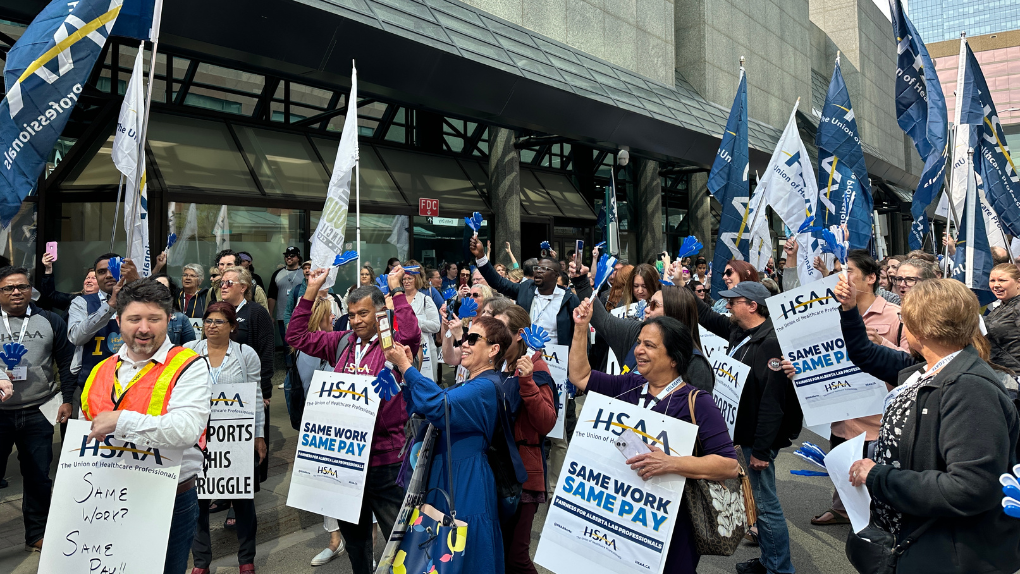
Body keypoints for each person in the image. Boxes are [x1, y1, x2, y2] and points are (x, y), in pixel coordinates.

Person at [847, 279, 1020, 573]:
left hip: (951, 553)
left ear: (923, 330)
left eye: (905, 318)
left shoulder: (969, 389)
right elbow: (865, 353)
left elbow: (970, 488)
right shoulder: (925, 372)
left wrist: (879, 476)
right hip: (920, 539)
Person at [568, 304, 739, 572]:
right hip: (624, 513)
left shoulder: (697, 402)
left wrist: (671, 463)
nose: (638, 350)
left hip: (674, 520)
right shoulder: (629, 385)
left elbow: (729, 465)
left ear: (674, 358)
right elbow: (580, 376)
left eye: (649, 345)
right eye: (638, 343)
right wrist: (580, 328)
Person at [286, 266, 421, 574]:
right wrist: (310, 291)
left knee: (399, 541)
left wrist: (397, 292)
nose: (357, 320)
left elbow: (413, 334)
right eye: (352, 314)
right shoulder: (342, 342)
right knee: (357, 543)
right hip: (345, 462)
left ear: (379, 313)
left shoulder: (392, 345)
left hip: (385, 461)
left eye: (363, 313)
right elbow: (294, 336)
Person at [79, 278, 211, 574]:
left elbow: (186, 430)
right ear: (118, 321)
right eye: (134, 319)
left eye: (154, 319)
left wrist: (121, 421)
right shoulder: (101, 370)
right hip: (105, 497)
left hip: (167, 498)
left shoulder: (189, 365)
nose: (144, 328)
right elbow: (84, 434)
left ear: (170, 319)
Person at [383, 316, 511, 574]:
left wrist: (407, 366)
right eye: (465, 337)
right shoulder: (473, 383)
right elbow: (425, 408)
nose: (464, 343)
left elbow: (439, 405)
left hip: (467, 479)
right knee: (440, 544)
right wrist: (411, 369)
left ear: (493, 349)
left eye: (473, 339)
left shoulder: (487, 386)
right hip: (448, 474)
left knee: (465, 547)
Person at [694, 281, 799, 574]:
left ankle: (779, 569)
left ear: (753, 305)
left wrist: (762, 451)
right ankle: (768, 561)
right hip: (743, 435)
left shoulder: (770, 343)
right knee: (757, 505)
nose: (726, 306)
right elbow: (706, 315)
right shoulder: (742, 333)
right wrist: (680, 286)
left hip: (757, 439)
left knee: (765, 507)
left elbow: (772, 403)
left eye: (733, 301)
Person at [809, 250, 906, 528]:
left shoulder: (896, 316)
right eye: (840, 270)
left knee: (874, 482)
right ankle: (841, 509)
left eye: (849, 271)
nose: (843, 277)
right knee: (843, 471)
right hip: (842, 416)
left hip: (877, 421)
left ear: (872, 278)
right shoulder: (830, 314)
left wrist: (883, 346)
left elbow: (914, 364)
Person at [186, 302, 266, 574]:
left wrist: (259, 435)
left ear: (232, 327)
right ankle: (201, 562)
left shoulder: (246, 354)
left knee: (242, 501)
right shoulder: (188, 352)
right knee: (198, 502)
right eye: (208, 320)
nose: (211, 325)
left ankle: (246, 559)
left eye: (219, 321)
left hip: (236, 438)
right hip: (197, 438)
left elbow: (255, 396)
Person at [0, 266, 75, 551]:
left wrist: (67, 398)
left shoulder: (51, 320)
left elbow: (66, 362)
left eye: (22, 286)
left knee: (38, 478)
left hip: (38, 410)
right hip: (0, 413)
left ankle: (37, 534)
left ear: (31, 289)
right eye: (8, 288)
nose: (16, 292)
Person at [572, 262, 714, 390]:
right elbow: (603, 322)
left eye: (654, 305)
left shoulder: (696, 367)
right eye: (640, 343)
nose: (639, 350)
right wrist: (581, 282)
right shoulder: (629, 381)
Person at [491, 305, 556, 574]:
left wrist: (527, 381)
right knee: (499, 552)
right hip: (497, 469)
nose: (494, 336)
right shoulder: (499, 364)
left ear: (519, 334)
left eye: (500, 330)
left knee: (516, 556)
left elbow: (546, 422)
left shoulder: (537, 367)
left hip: (523, 475)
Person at [219, 266, 275, 493]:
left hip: (249, 389)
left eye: (228, 282)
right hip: (221, 391)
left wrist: (265, 389)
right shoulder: (218, 313)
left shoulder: (256, 313)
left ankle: (243, 495)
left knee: (248, 440)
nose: (223, 286)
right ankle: (223, 491)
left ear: (243, 287)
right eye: (221, 282)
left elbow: (266, 351)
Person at [68, 253, 139, 395]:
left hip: (133, 382)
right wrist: (110, 305)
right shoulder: (82, 302)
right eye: (101, 272)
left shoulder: (138, 298)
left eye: (114, 270)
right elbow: (76, 337)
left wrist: (137, 284)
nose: (108, 275)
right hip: (92, 383)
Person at [401, 259, 441, 374]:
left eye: (410, 278)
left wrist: (414, 322)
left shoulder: (425, 300)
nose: (406, 281)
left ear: (416, 279)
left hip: (426, 351)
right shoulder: (397, 300)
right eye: (404, 279)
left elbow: (436, 326)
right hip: (403, 351)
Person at [985, 263, 1020, 372]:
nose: (996, 285)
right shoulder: (1002, 306)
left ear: (1018, 282)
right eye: (992, 281)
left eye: (1002, 280)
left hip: (1015, 375)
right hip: (999, 373)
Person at [268, 246, 306, 345]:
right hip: (283, 316)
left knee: (301, 343)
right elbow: (272, 295)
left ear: (298, 257)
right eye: (287, 256)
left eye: (292, 256)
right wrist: (270, 315)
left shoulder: (304, 272)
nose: (289, 258)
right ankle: (288, 361)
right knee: (286, 344)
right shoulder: (277, 273)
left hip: (302, 315)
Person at [155, 275, 197, 346]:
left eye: (163, 288)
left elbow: (190, 349)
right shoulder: (140, 315)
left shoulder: (180, 319)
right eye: (155, 287)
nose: (159, 291)